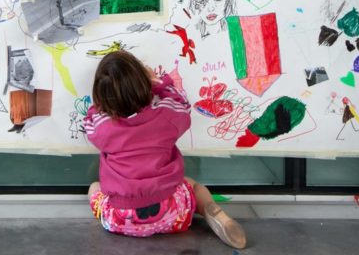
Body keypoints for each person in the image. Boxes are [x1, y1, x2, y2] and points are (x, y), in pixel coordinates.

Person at [83, 51, 246, 248]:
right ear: (144, 83)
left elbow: (89, 121)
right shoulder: (166, 115)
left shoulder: (103, 127)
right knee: (193, 186)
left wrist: (101, 103)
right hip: (172, 213)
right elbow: (182, 104)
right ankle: (211, 210)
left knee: (94, 187)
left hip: (121, 220)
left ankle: (126, 222)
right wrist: (158, 83)